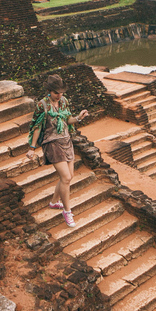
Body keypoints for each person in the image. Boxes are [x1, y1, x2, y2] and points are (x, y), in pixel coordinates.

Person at [26, 75, 88, 228]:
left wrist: (78, 118)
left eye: (61, 92)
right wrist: (32, 148)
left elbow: (67, 120)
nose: (59, 95)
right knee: (66, 177)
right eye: (56, 93)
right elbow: (37, 126)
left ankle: (54, 202)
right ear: (49, 91)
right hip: (51, 143)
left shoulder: (64, 101)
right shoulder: (42, 105)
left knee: (69, 177)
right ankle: (67, 211)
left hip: (66, 140)